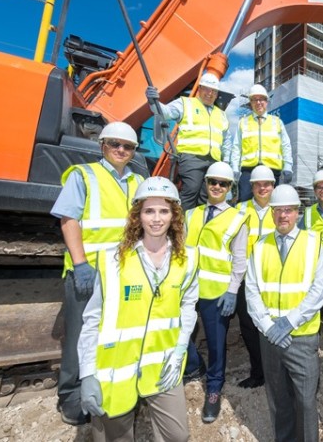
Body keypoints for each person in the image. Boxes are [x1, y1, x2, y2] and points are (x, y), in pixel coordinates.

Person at [77, 177, 198, 442]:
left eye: (164, 211)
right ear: (138, 216)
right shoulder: (113, 259)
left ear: (174, 216)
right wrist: (87, 373)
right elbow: (92, 318)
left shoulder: (188, 259)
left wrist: (179, 351)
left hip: (162, 365)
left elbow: (188, 306)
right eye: (149, 211)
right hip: (115, 370)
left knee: (177, 436)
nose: (157, 219)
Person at [50, 122, 144, 426]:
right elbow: (69, 220)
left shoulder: (137, 182)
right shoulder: (84, 175)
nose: (121, 150)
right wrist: (80, 264)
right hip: (89, 271)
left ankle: (107, 384)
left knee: (114, 332)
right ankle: (71, 397)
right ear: (102, 144)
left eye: (127, 147)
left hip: (122, 273)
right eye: (115, 144)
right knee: (79, 334)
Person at [245, 184, 323, 442]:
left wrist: (290, 322)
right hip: (269, 338)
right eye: (278, 210)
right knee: (278, 400)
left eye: (289, 210)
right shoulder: (260, 246)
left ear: (297, 213)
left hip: (302, 337)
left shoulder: (313, 243)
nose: (283, 215)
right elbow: (251, 290)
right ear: (271, 213)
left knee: (305, 401)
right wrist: (269, 326)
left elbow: (319, 289)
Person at [184, 161, 248, 423]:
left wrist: (232, 290)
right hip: (189, 289)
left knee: (216, 343)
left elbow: (240, 259)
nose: (217, 187)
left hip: (217, 292)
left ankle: (213, 388)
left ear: (230, 188)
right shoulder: (192, 214)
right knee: (179, 332)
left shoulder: (237, 219)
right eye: (213, 182)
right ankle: (192, 365)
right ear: (206, 184)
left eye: (223, 184)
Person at [145, 73, 230, 210]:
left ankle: (200, 225)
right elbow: (164, 112)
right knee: (190, 191)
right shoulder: (185, 103)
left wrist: (225, 162)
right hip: (191, 158)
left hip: (214, 161)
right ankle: (182, 227)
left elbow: (226, 141)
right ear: (200, 89)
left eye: (213, 91)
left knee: (207, 196)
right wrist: (153, 101)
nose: (210, 93)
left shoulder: (221, 114)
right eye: (207, 89)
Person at [233, 165, 277, 388]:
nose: (263, 188)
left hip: (272, 280)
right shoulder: (240, 210)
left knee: (270, 325)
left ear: (273, 186)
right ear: (251, 186)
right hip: (245, 279)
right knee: (249, 327)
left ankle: (275, 372)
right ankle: (258, 373)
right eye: (258, 184)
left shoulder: (280, 210)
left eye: (267, 184)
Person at [230, 84, 293, 201]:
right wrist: (234, 168)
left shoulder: (277, 122)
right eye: (254, 99)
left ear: (266, 101)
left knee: (271, 204)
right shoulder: (243, 122)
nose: (258, 102)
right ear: (251, 103)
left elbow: (286, 145)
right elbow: (236, 147)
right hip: (248, 170)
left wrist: (288, 166)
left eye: (261, 99)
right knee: (244, 202)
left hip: (272, 170)